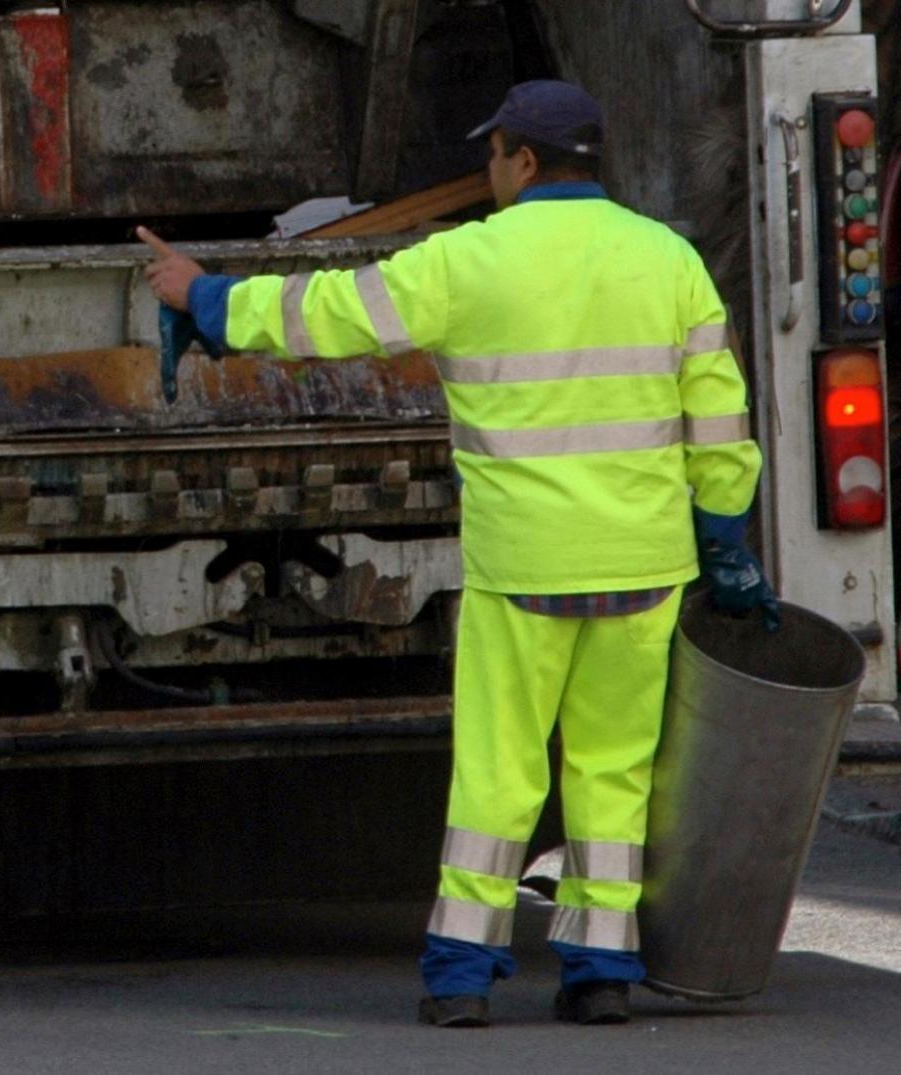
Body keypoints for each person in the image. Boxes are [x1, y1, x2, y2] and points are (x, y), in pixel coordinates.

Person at [139, 80, 775, 1028]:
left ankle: (461, 979)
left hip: (524, 569)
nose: (487, 172)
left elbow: (328, 318)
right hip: (642, 568)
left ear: (523, 161)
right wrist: (724, 537)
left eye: (494, 155)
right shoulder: (670, 261)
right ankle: (599, 974)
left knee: (498, 773)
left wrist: (208, 298)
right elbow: (720, 423)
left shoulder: (471, 260)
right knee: (612, 769)